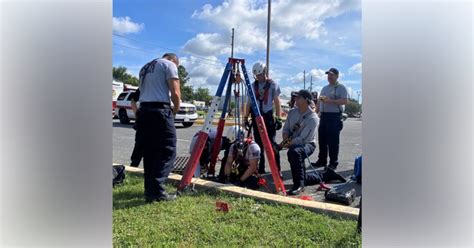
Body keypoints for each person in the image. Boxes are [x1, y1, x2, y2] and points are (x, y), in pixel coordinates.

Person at [136, 53, 181, 203]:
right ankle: (158, 191)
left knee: (150, 152)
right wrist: (175, 110)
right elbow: (175, 92)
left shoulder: (145, 67)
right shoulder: (169, 65)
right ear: (174, 61)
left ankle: (150, 190)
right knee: (168, 150)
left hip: (144, 110)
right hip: (159, 111)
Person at [243, 62, 283, 175]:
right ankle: (261, 168)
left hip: (268, 116)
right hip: (256, 117)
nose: (258, 77)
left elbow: (277, 102)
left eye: (260, 75)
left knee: (272, 144)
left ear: (265, 72)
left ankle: (277, 169)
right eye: (256, 76)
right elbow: (249, 103)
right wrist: (245, 118)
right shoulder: (252, 86)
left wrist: (279, 118)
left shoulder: (272, 84)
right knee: (259, 144)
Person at [281, 90, 319, 195]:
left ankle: (299, 185)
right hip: (291, 142)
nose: (295, 99)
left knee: (294, 152)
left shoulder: (313, 118)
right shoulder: (292, 112)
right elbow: (286, 129)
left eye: (299, 98)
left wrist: (288, 143)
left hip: (308, 144)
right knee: (274, 148)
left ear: (306, 100)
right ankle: (325, 175)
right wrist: (285, 139)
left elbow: (304, 139)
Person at [313, 68, 349, 170]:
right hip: (324, 116)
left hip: (334, 116)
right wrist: (316, 111)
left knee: (333, 142)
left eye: (332, 75)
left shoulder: (341, 87)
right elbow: (320, 101)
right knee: (322, 140)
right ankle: (322, 160)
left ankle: (333, 163)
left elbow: (345, 101)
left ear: (337, 76)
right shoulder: (324, 88)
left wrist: (330, 101)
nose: (329, 77)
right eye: (328, 75)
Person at [130, 89, 142, 167]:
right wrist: (137, 115)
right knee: (138, 148)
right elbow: (133, 99)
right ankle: (133, 168)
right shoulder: (144, 86)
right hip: (143, 121)